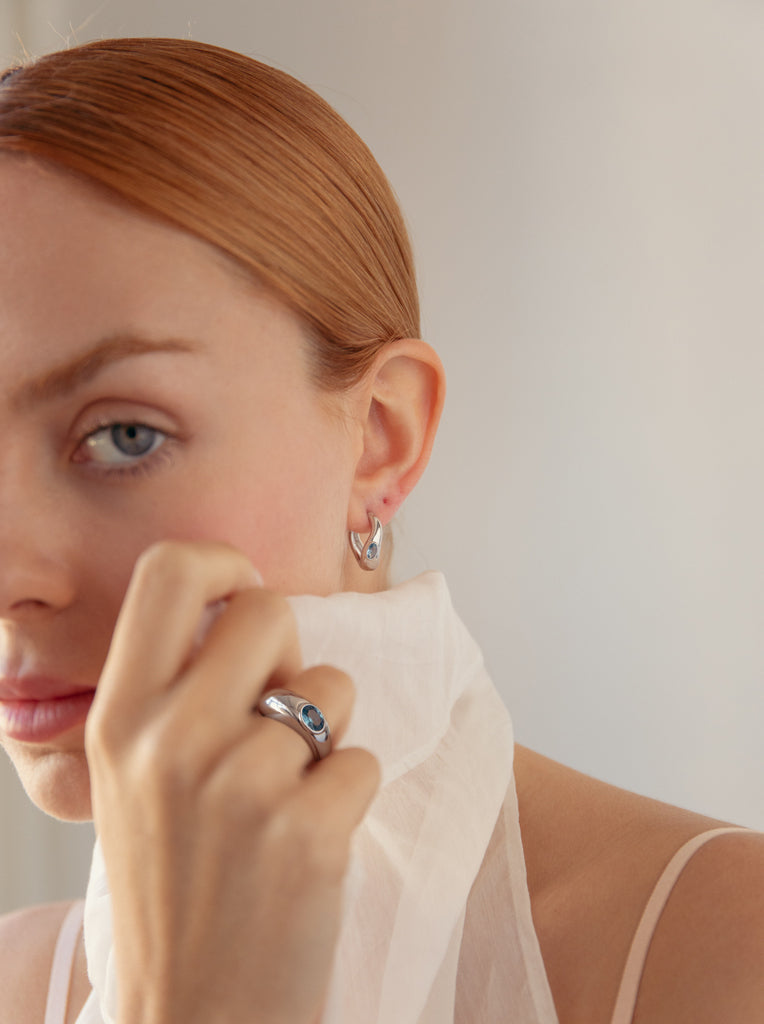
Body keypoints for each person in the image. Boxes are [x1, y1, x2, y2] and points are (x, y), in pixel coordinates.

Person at [0, 37, 761, 1024]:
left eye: (122, 434)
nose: (12, 572)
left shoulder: (722, 956)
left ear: (380, 438)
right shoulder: (15, 981)